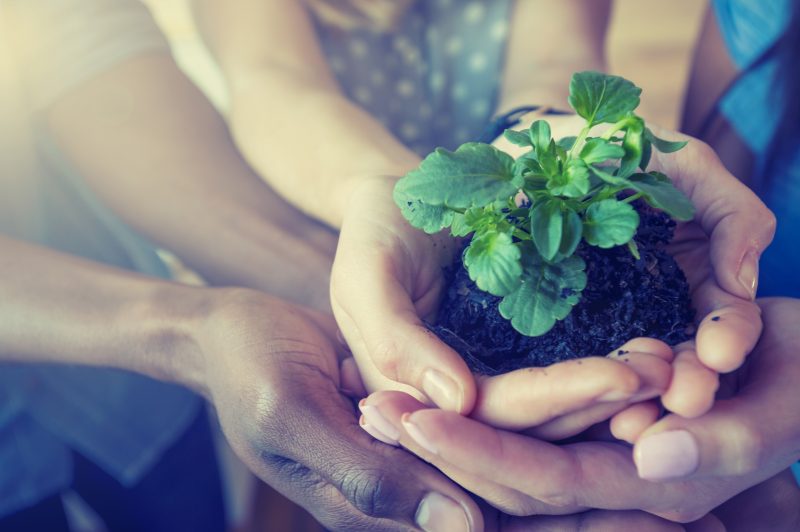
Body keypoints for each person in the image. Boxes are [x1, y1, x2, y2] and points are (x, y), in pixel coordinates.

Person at [193, 0, 798, 528]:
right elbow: (272, 82)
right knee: (355, 429)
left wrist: (537, 126)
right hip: (336, 220)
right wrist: (395, 192)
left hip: (490, 193)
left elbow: (555, 51)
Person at [0, 1, 514, 530]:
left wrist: (331, 279)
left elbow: (80, 50)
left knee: (190, 512)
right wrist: (187, 330)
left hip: (133, 399)